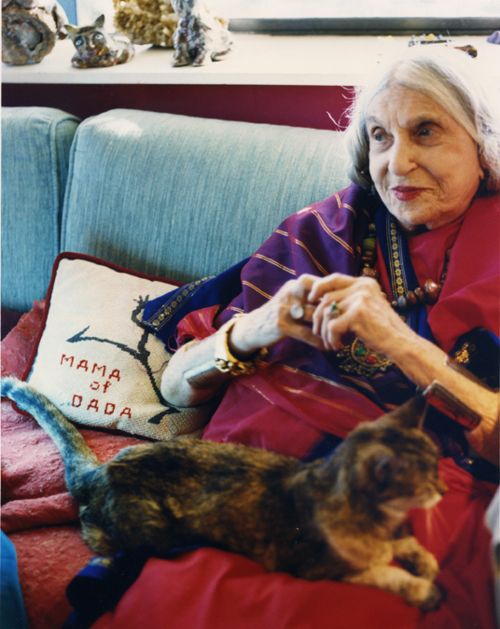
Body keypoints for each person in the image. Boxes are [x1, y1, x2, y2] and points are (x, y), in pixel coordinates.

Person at [104, 48, 499, 629]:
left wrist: (401, 342)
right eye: (380, 137)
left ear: (484, 143)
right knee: (178, 602)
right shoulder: (318, 232)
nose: (397, 161)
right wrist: (255, 328)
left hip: (391, 505)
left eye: (425, 131)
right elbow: (175, 387)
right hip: (245, 497)